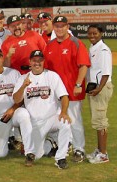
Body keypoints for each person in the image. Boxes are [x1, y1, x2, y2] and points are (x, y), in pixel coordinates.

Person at [13, 50, 72, 169]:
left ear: (44, 61)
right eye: (34, 60)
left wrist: (64, 112)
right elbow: (16, 99)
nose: (37, 63)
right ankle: (48, 144)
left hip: (50, 119)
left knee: (65, 122)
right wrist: (24, 86)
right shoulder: (24, 78)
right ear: (30, 62)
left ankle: (60, 158)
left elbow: (64, 96)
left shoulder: (52, 76)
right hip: (33, 123)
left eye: (40, 60)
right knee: (38, 154)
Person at [44, 16, 90, 163]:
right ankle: (62, 147)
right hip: (55, 92)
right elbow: (47, 70)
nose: (59, 28)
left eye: (62, 26)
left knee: (74, 121)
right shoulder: (49, 45)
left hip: (72, 89)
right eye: (57, 26)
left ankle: (79, 149)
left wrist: (78, 84)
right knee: (57, 120)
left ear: (67, 26)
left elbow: (83, 65)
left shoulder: (76, 43)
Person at [86, 25, 113, 164]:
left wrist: (99, 89)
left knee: (101, 121)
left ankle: (103, 155)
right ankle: (99, 150)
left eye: (95, 33)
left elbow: (106, 72)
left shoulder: (103, 50)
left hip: (100, 88)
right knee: (97, 121)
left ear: (101, 33)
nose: (92, 35)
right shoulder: (93, 48)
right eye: (90, 33)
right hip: (95, 88)